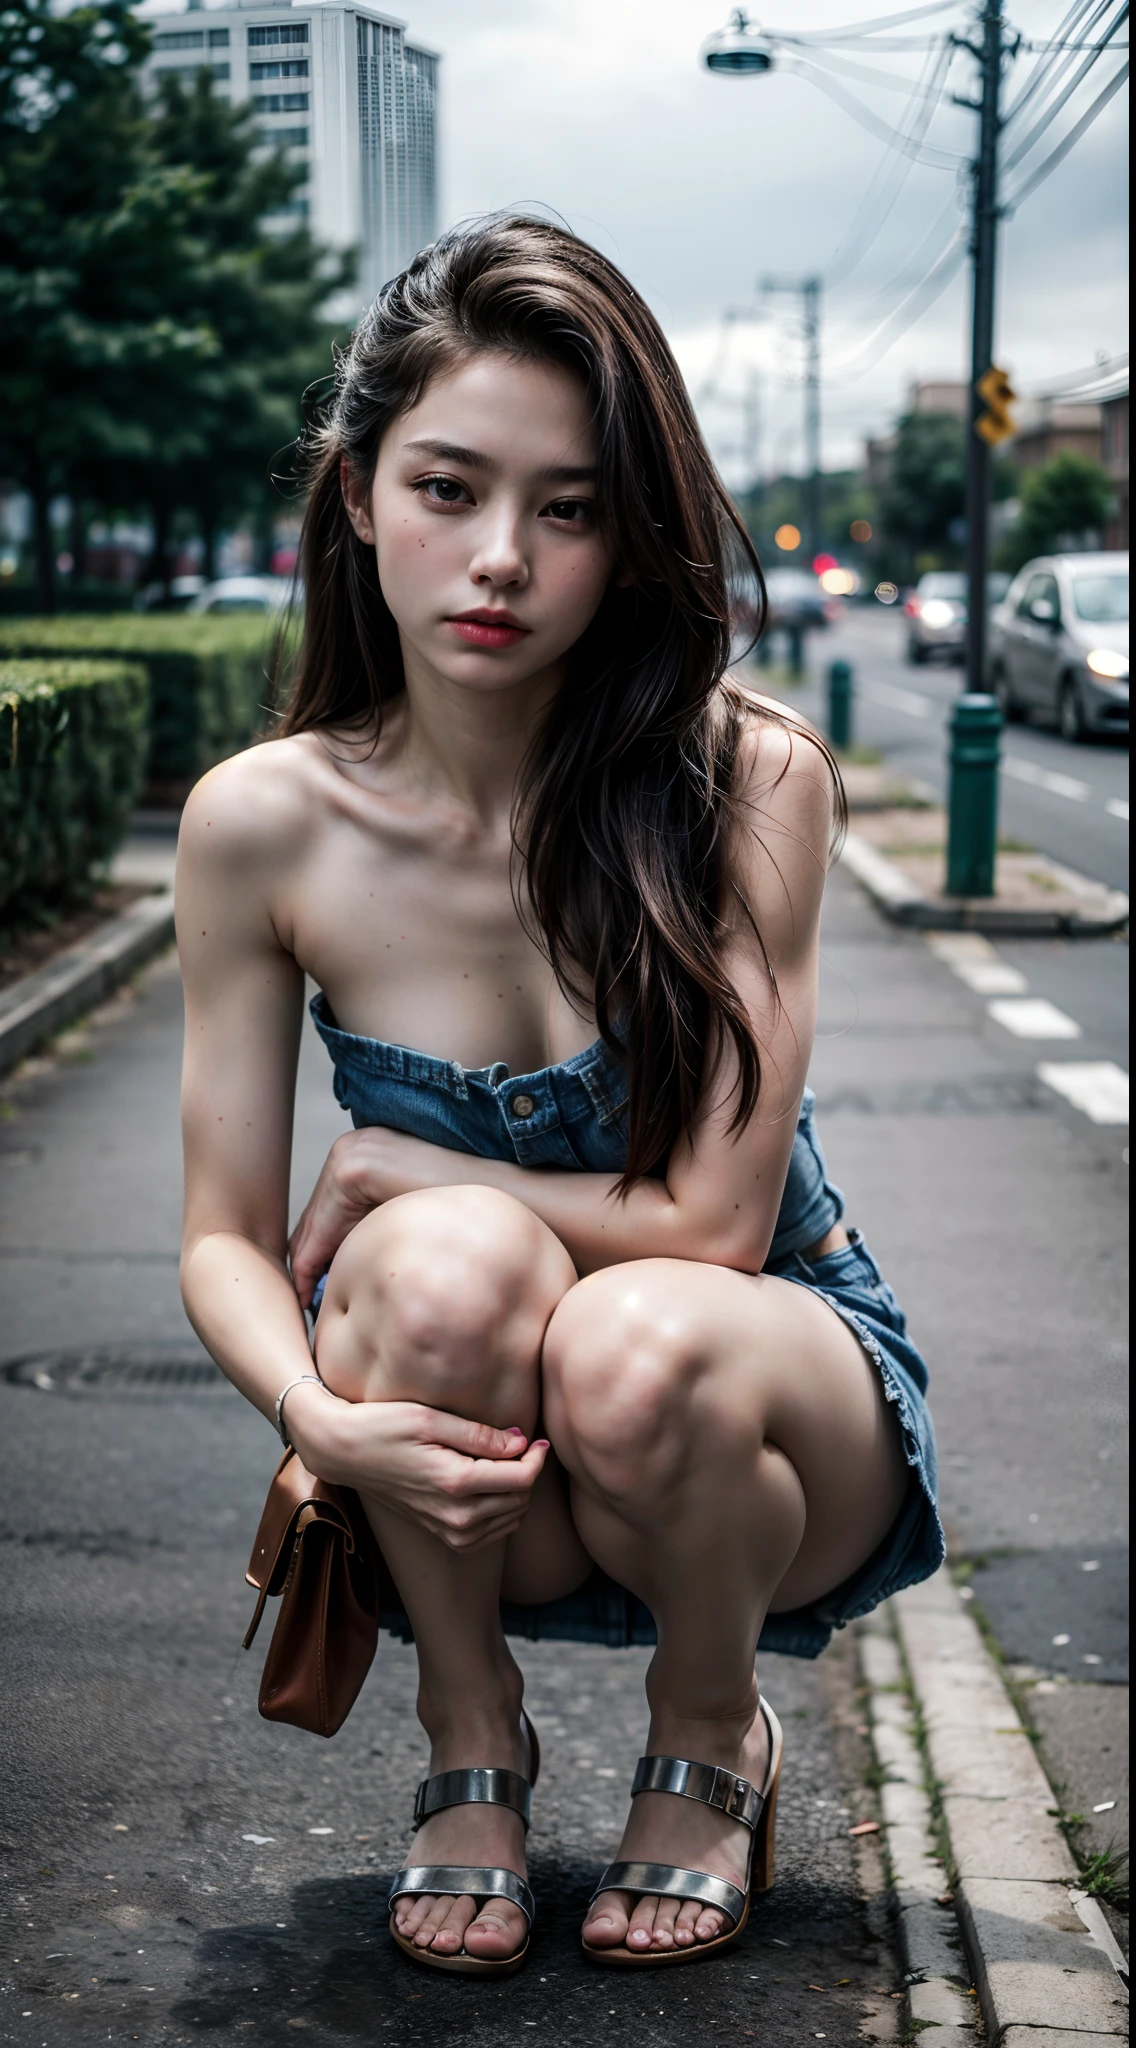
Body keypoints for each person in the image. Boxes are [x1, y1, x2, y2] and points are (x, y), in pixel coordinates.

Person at [177, 215, 943, 1979]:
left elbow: (714, 1225)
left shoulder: (747, 782)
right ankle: (470, 1730)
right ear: (359, 489)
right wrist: (316, 1412)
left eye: (573, 508)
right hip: (469, 1473)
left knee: (636, 1333)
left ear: (630, 534)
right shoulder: (265, 823)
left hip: (761, 1414)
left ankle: (711, 1723)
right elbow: (222, 1237)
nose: (502, 558)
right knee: (436, 1272)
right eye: (449, 487)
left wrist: (390, 1147)